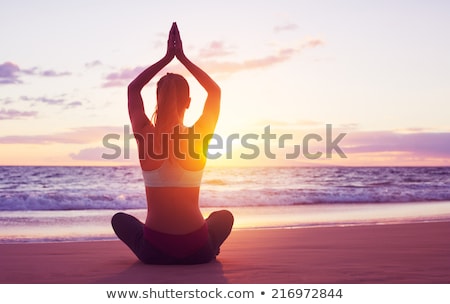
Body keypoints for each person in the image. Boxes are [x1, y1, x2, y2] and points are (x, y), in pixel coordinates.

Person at [111, 23, 233, 264]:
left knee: (120, 219)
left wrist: (166, 58)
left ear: (156, 99)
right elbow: (215, 92)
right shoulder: (199, 134)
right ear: (188, 102)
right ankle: (210, 248)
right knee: (224, 217)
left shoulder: (144, 133)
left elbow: (133, 88)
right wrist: (183, 58)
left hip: (154, 251)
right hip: (199, 250)